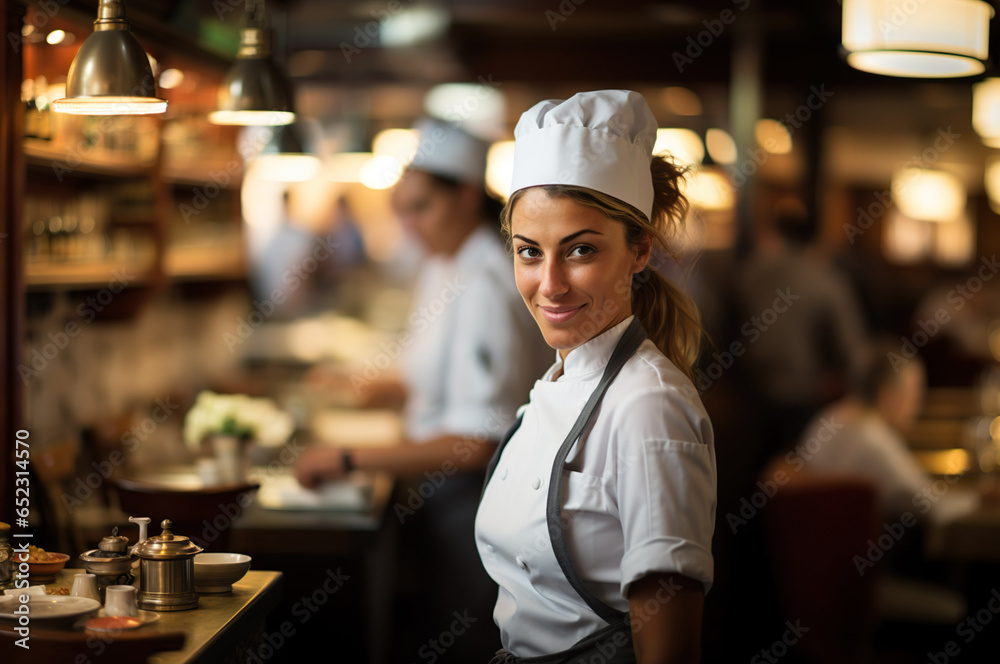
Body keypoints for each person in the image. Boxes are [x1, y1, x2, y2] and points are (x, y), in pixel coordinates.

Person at [294, 118, 550, 662]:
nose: (408, 225)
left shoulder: (486, 282)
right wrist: (360, 385)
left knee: (468, 644)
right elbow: (431, 380)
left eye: (421, 207)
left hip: (474, 501)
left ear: (462, 195)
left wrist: (348, 457)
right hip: (441, 494)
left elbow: (478, 441)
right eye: (400, 209)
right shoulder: (447, 263)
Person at [475, 90, 717, 662]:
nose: (550, 284)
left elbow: (670, 650)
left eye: (580, 251)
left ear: (639, 252)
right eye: (529, 251)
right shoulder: (556, 384)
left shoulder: (648, 406)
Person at [793, 340, 978, 522]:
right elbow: (930, 506)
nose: (918, 404)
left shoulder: (825, 418)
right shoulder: (876, 440)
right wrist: (978, 500)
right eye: (914, 391)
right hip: (857, 546)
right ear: (887, 395)